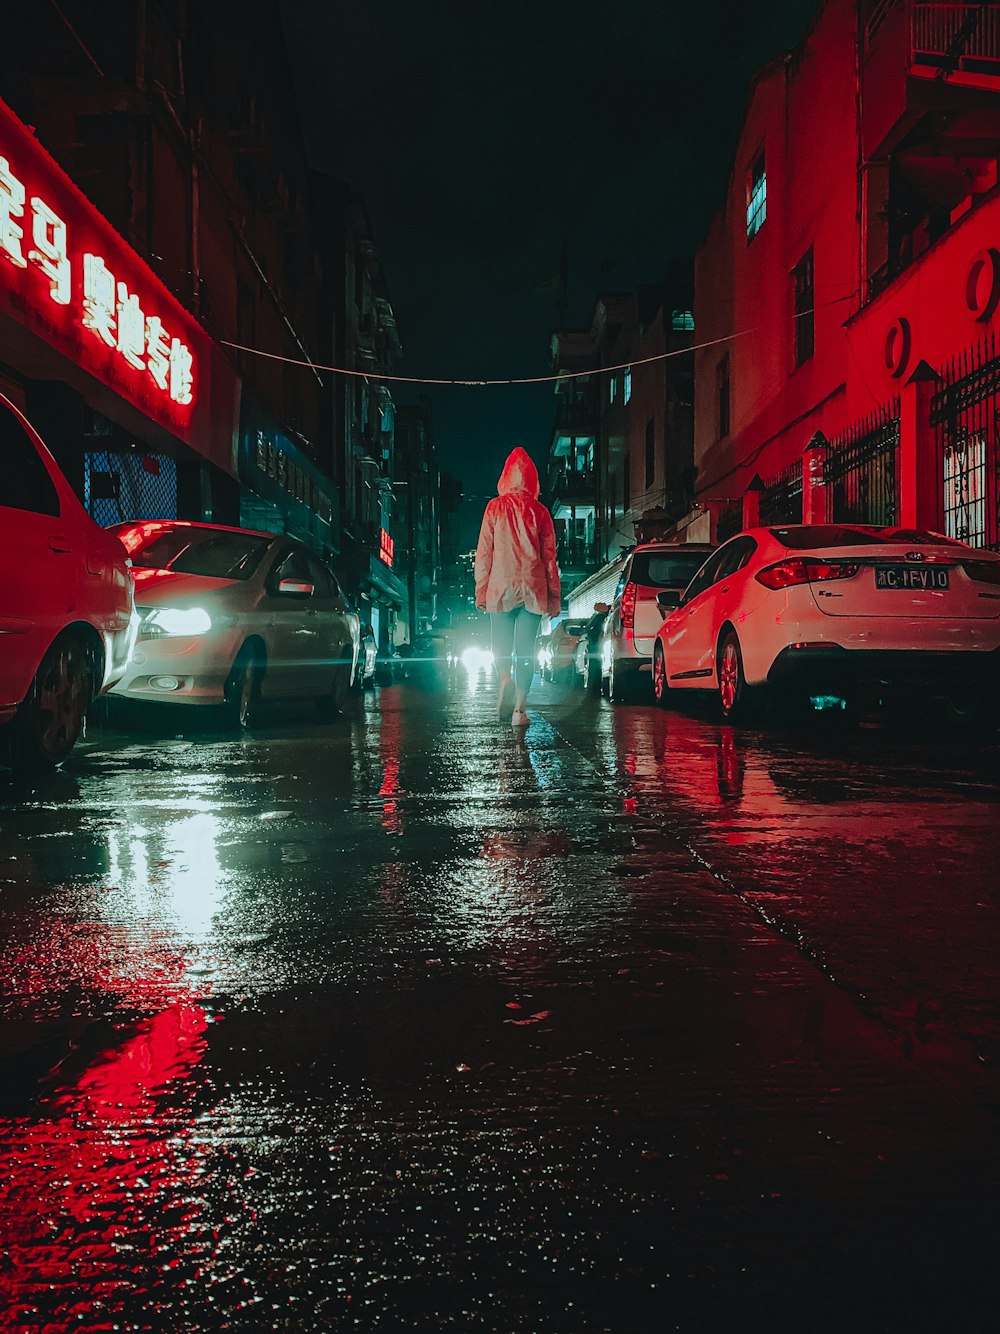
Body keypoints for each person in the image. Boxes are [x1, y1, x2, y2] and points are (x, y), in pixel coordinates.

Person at [474, 447, 561, 726]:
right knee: (526, 649)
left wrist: (481, 589)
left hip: (500, 587)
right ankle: (520, 710)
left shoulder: (494, 509)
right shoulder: (541, 512)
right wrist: (554, 597)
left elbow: (484, 553)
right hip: (533, 588)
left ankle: (504, 679)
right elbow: (550, 558)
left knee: (500, 644)